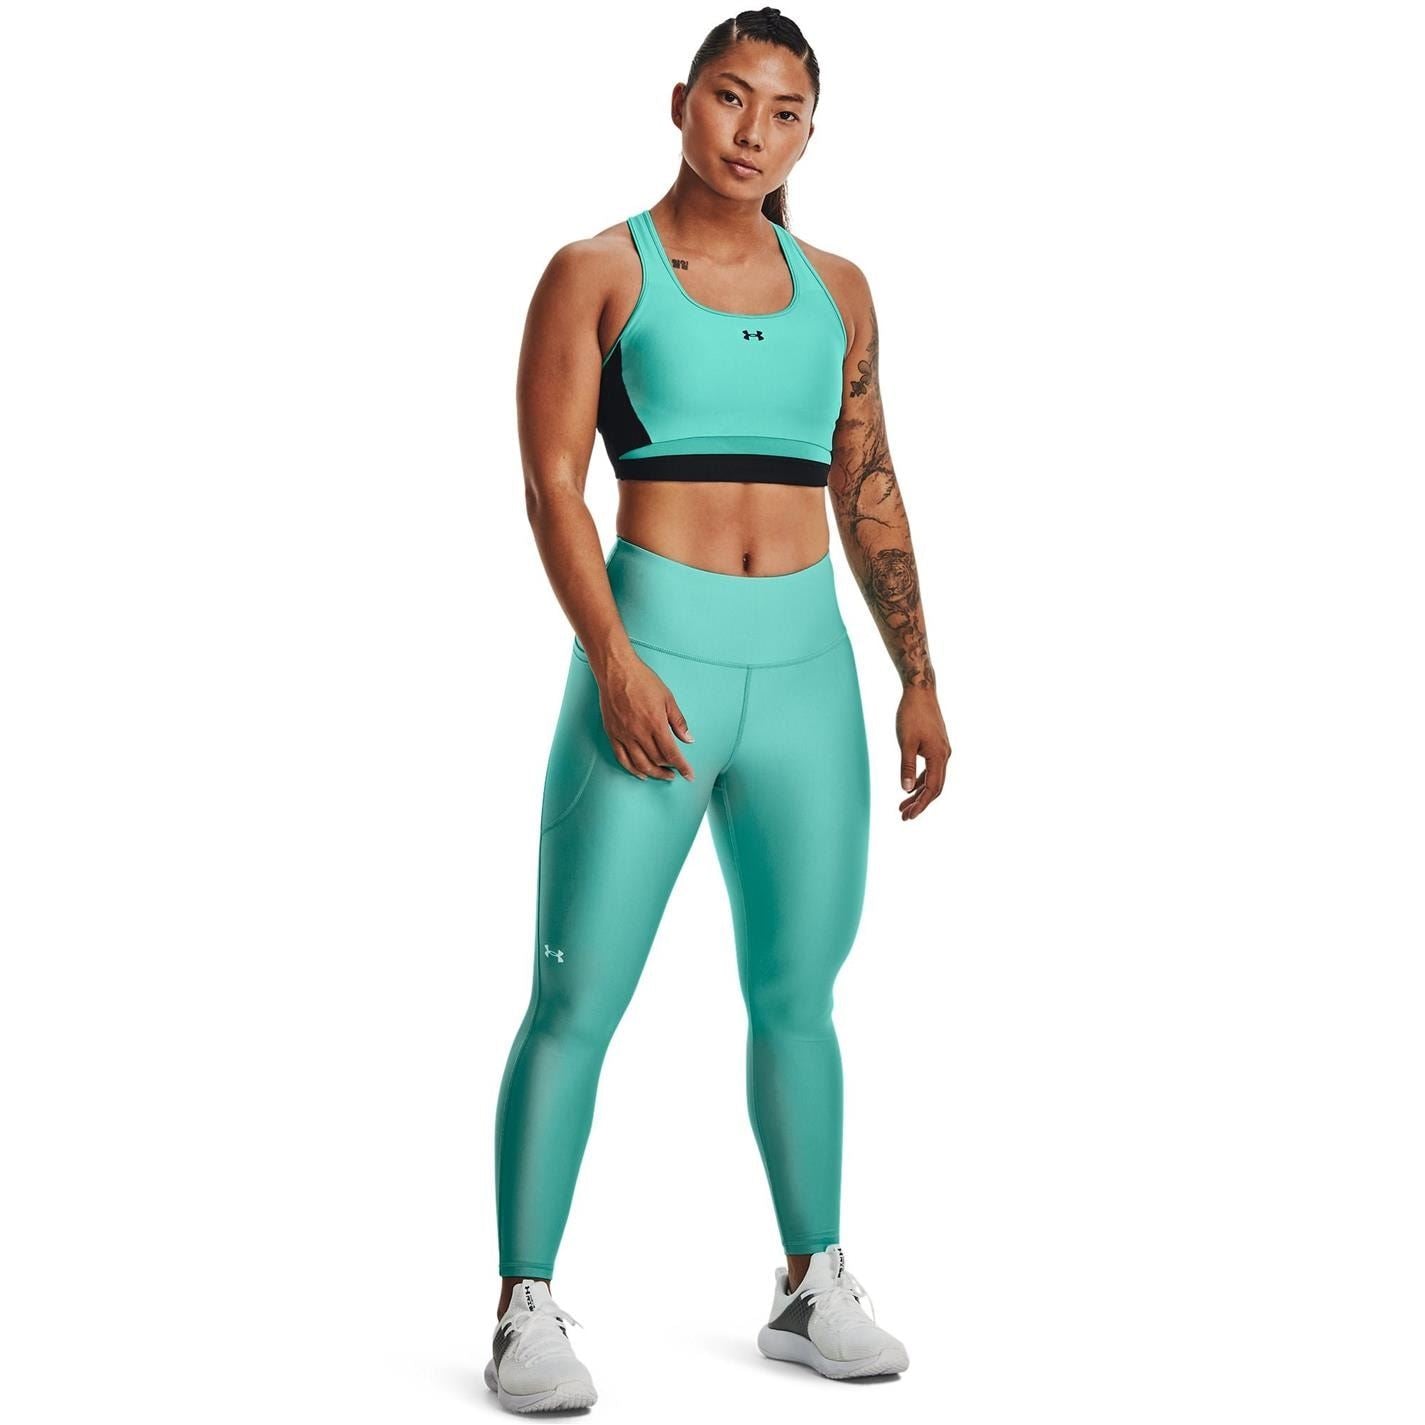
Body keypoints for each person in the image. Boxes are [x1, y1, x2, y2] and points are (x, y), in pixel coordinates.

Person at [485, 7, 951, 1412]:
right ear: (680, 101)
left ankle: (811, 1281)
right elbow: (550, 487)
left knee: (798, 993)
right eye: (731, 99)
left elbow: (867, 480)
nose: (753, 133)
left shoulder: (840, 289)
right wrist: (614, 659)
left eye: (785, 112)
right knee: (577, 995)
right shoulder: (597, 271)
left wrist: (919, 672)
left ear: (812, 133)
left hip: (808, 673)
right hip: (656, 660)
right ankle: (523, 1305)